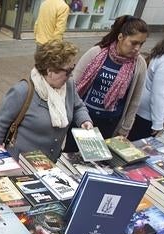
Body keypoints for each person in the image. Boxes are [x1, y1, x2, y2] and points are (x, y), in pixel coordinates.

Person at [0, 40, 93, 163]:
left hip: (50, 163)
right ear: (50, 71)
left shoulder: (68, 86)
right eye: (68, 71)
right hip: (20, 165)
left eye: (73, 69)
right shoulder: (22, 91)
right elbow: (0, 128)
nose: (71, 76)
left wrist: (84, 120)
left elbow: (78, 107)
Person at [63, 15, 148, 152]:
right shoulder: (97, 53)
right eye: (134, 43)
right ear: (120, 37)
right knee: (72, 155)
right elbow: (73, 84)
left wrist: (125, 128)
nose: (137, 48)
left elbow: (135, 100)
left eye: (141, 44)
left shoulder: (139, 64)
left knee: (98, 160)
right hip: (83, 119)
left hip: (110, 123)